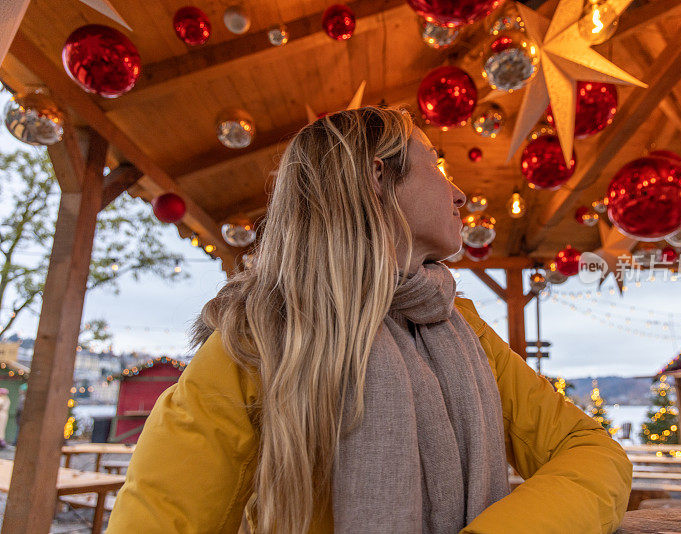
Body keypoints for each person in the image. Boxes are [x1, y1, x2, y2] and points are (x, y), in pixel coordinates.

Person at [107, 106, 632, 534]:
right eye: (436, 165)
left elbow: (590, 452)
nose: (460, 194)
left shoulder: (460, 327)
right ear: (376, 177)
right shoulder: (255, 342)